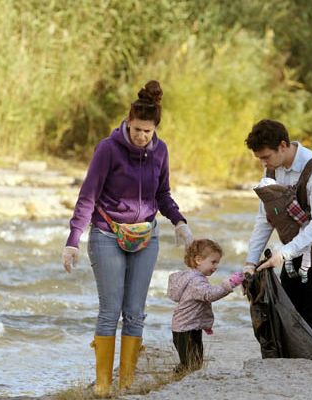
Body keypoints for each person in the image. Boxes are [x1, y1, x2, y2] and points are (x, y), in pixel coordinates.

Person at [62, 80, 193, 396]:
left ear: (154, 129)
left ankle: (127, 384)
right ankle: (103, 387)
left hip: (146, 236)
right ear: (128, 122)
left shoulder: (160, 151)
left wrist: (179, 222)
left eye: (147, 131)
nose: (141, 136)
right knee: (111, 310)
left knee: (135, 311)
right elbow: (88, 196)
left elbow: (163, 194)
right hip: (107, 234)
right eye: (136, 129)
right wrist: (73, 240)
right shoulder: (108, 149)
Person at [243, 119, 312, 358]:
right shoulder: (272, 170)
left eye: (266, 157)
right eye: (260, 159)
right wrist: (250, 262)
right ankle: (290, 368)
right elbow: (266, 219)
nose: (263, 164)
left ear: (283, 145)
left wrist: (282, 254)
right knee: (288, 311)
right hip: (296, 248)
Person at [167, 239, 244, 372]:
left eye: (217, 262)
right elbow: (209, 295)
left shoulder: (196, 278)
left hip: (190, 327)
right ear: (198, 260)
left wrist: (204, 323)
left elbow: (200, 304)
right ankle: (176, 380)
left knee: (196, 362)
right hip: (185, 330)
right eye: (213, 262)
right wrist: (229, 284)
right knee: (189, 364)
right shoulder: (195, 281)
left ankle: (181, 380)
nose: (216, 266)